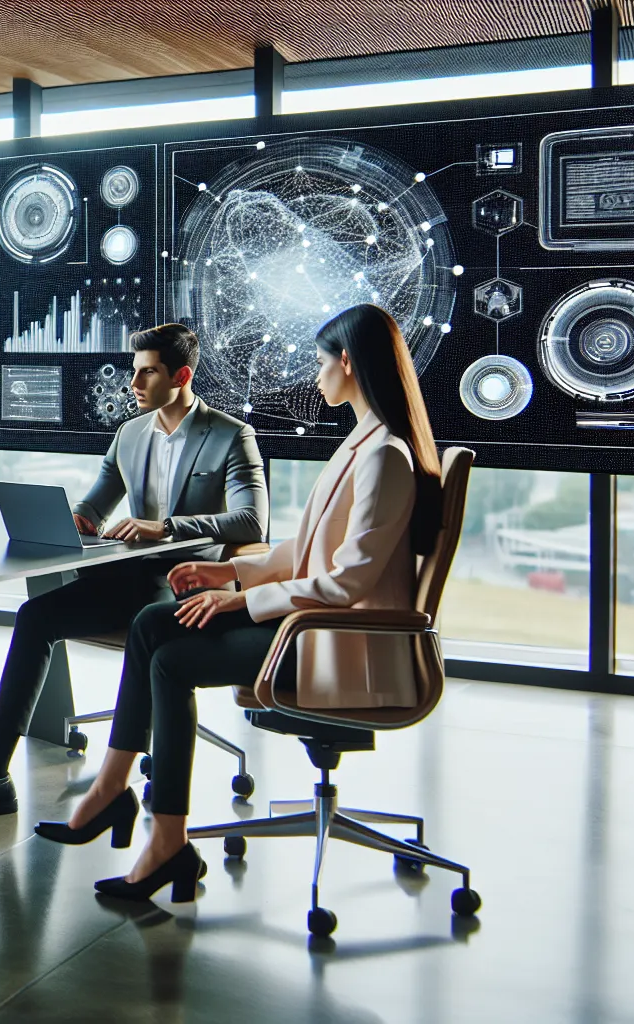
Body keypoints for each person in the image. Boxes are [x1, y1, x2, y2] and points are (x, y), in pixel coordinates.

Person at [52, 304, 441, 902]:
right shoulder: (362, 445)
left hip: (337, 642)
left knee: (171, 661)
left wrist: (239, 600)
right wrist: (227, 568)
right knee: (153, 622)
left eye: (319, 363)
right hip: (314, 627)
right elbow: (307, 546)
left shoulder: (384, 455)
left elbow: (347, 583)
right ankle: (111, 786)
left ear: (348, 363)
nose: (316, 377)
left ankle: (167, 842)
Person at [0, 323, 267, 826]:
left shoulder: (232, 436)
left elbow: (252, 520)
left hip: (190, 580)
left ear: (182, 376)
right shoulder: (130, 434)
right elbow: (97, 502)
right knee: (35, 615)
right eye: (133, 371)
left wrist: (167, 526)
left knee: (146, 621)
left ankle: (123, 781)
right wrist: (79, 518)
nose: (133, 384)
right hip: (132, 575)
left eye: (147, 373)